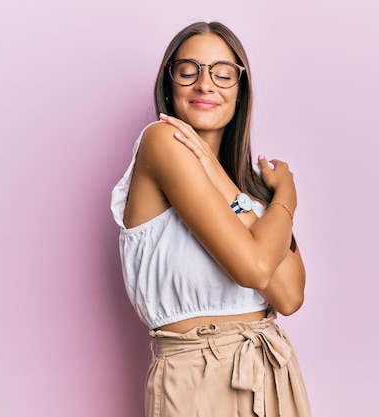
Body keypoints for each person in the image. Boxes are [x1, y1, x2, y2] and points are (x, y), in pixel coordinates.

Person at [110, 21, 311, 417]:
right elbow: (253, 270)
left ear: (241, 90)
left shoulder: (249, 191)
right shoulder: (160, 141)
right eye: (189, 70)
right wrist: (286, 194)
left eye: (223, 73)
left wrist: (228, 183)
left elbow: (289, 297)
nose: (205, 84)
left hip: (270, 371)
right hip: (196, 379)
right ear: (169, 84)